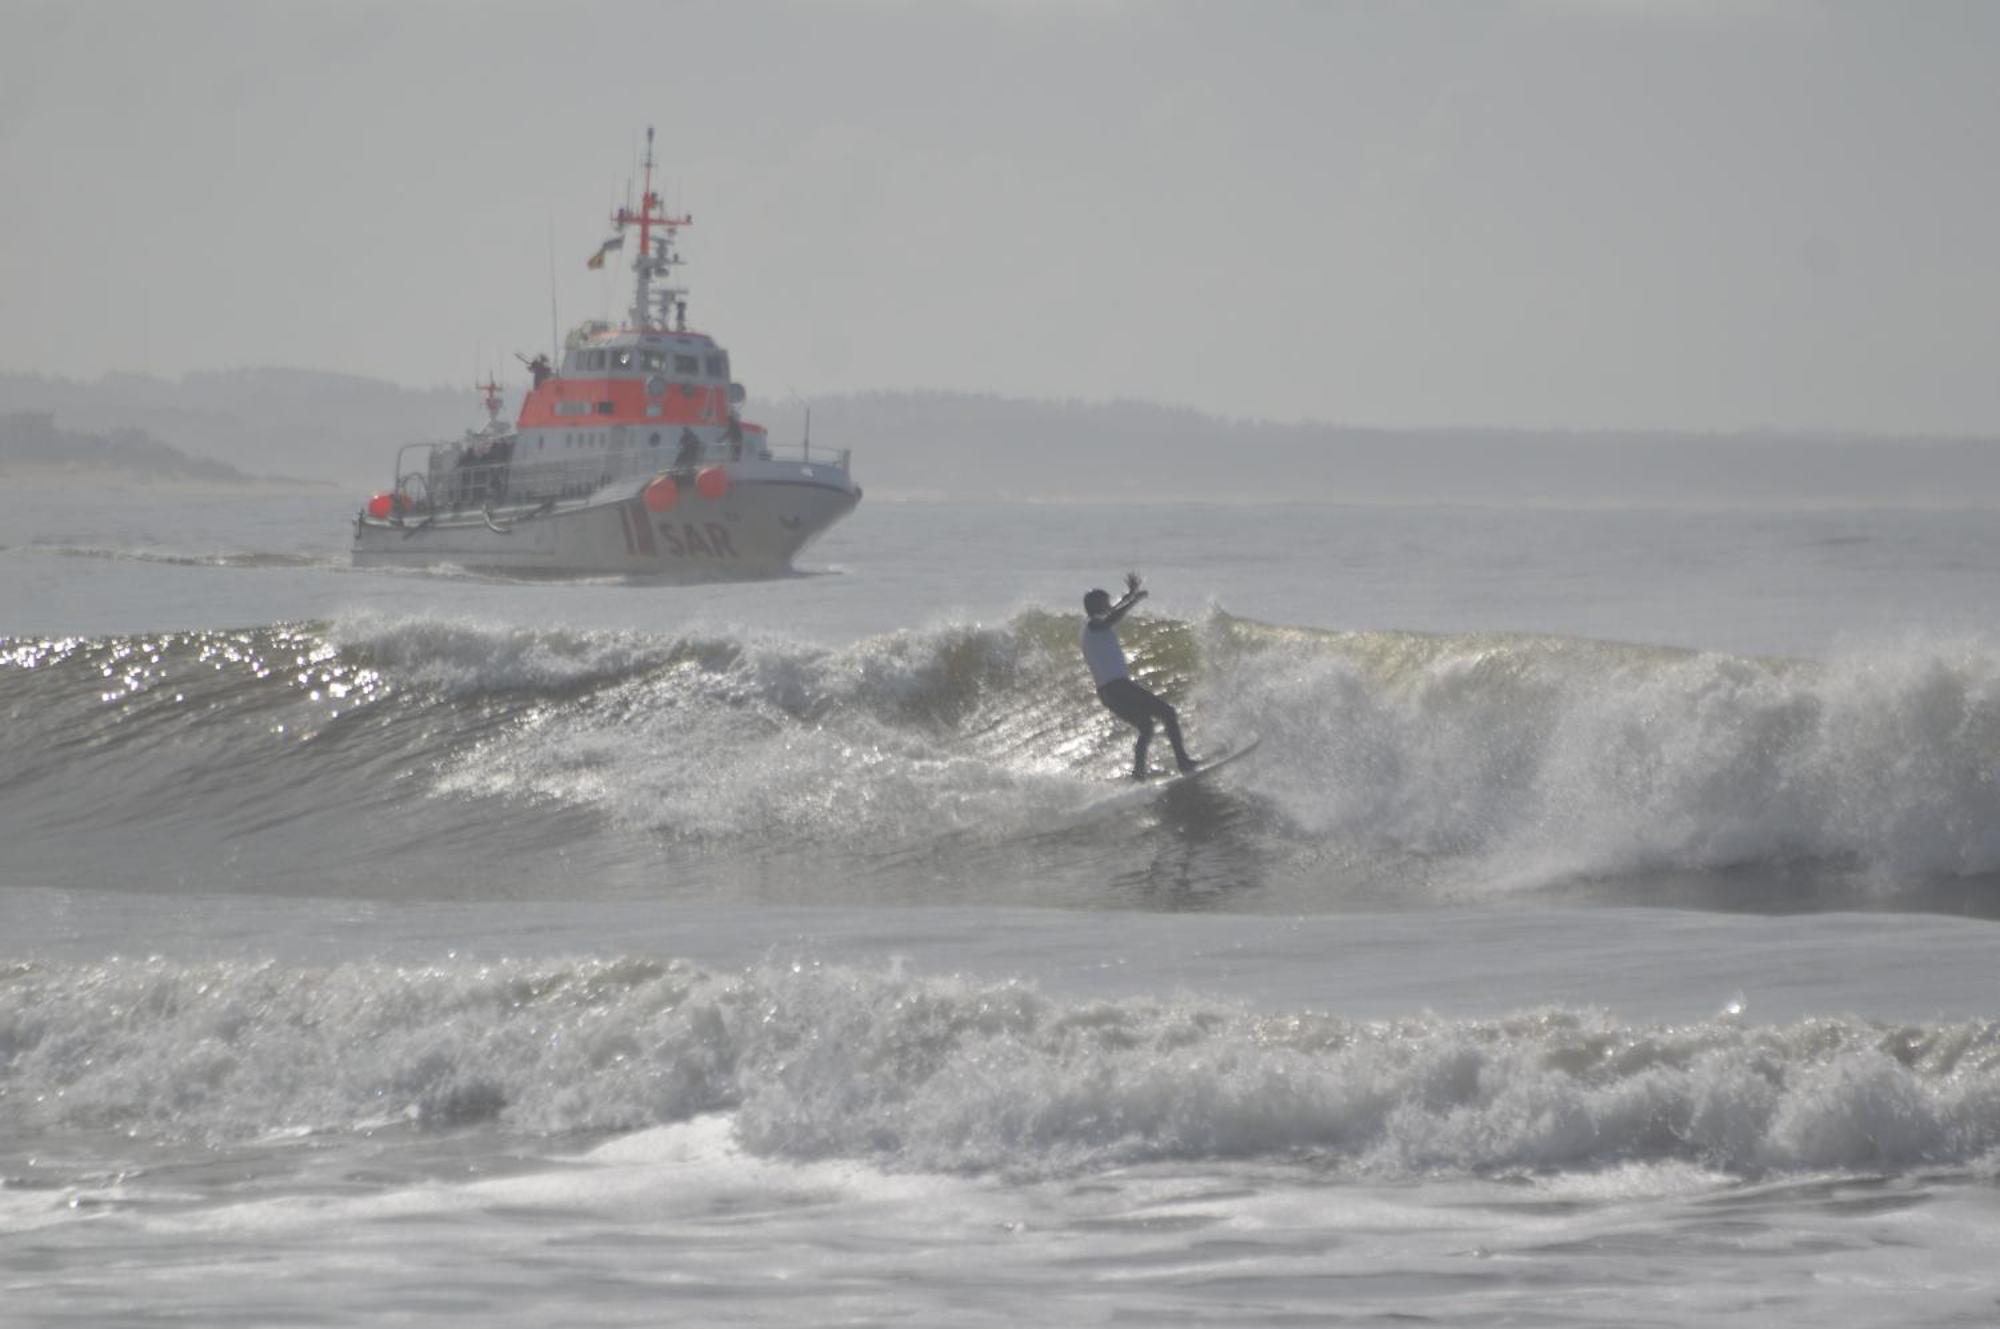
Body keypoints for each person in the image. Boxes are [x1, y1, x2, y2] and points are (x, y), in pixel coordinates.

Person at [1081, 572, 1195, 778]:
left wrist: (1129, 594)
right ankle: (1184, 763)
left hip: (1108, 693)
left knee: (1146, 727)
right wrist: (1133, 600)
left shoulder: (1091, 627)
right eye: (1105, 603)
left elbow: (1112, 612)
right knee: (1168, 713)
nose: (1109, 605)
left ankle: (1139, 774)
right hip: (1118, 688)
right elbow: (1110, 617)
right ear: (1097, 606)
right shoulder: (1095, 625)